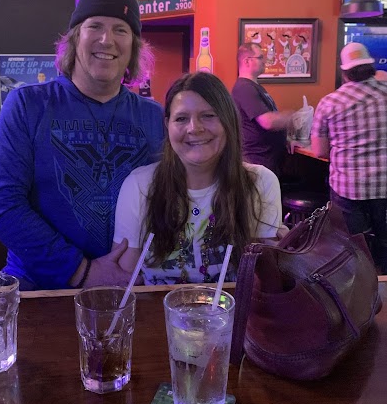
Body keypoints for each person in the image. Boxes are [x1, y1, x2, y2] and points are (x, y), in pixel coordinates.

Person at [0, 0, 165, 290]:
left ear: (134, 46)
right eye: (95, 26)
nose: (107, 39)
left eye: (120, 29)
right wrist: (81, 271)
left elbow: (180, 195)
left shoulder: (154, 117)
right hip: (38, 286)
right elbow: (2, 203)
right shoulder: (27, 105)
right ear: (75, 38)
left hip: (128, 286)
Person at [112, 72, 285, 285]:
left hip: (231, 306)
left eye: (208, 115)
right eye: (181, 118)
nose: (194, 128)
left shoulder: (260, 183)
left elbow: (264, 278)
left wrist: (283, 256)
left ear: (229, 120)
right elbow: (124, 278)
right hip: (159, 305)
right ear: (167, 125)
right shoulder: (140, 185)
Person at [311, 42, 387, 273]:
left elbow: (319, 150)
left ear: (344, 72)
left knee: (352, 249)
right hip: (384, 187)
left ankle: (358, 285)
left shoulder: (330, 103)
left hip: (348, 188)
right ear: (371, 67)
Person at [231, 43, 293, 176]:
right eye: (260, 57)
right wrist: (293, 116)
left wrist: (285, 138)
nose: (264, 61)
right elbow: (267, 121)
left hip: (266, 162)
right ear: (247, 61)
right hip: (257, 162)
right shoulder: (244, 88)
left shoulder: (253, 87)